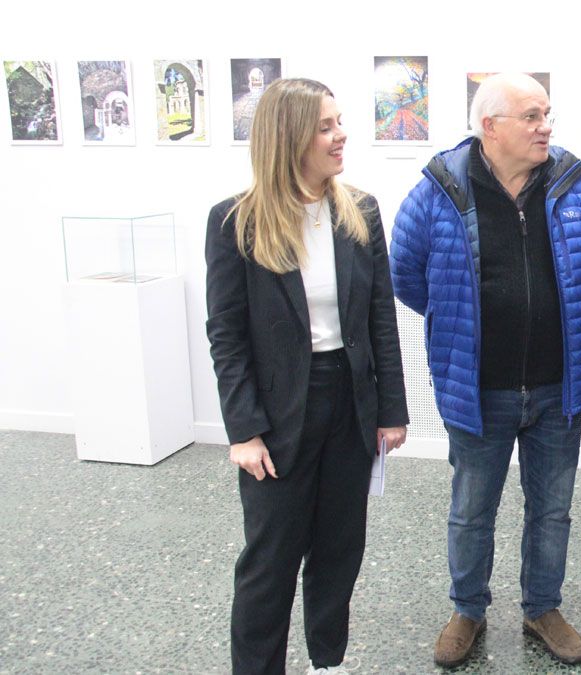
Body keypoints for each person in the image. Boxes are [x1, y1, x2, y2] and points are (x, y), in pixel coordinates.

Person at [390, 72, 581, 668]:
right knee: (471, 510)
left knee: (553, 508)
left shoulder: (574, 184)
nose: (546, 126)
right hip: (477, 387)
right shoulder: (438, 190)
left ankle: (542, 606)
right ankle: (467, 610)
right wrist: (460, 320)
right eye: (531, 115)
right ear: (490, 127)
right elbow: (408, 276)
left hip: (557, 385)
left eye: (548, 113)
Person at [205, 78, 409, 675]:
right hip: (276, 416)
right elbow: (228, 336)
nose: (341, 134)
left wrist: (391, 410)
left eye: (339, 121)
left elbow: (380, 320)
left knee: (339, 550)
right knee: (270, 562)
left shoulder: (360, 211)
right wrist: (243, 431)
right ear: (289, 138)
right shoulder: (235, 223)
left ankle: (328, 662)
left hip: (349, 403)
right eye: (326, 126)